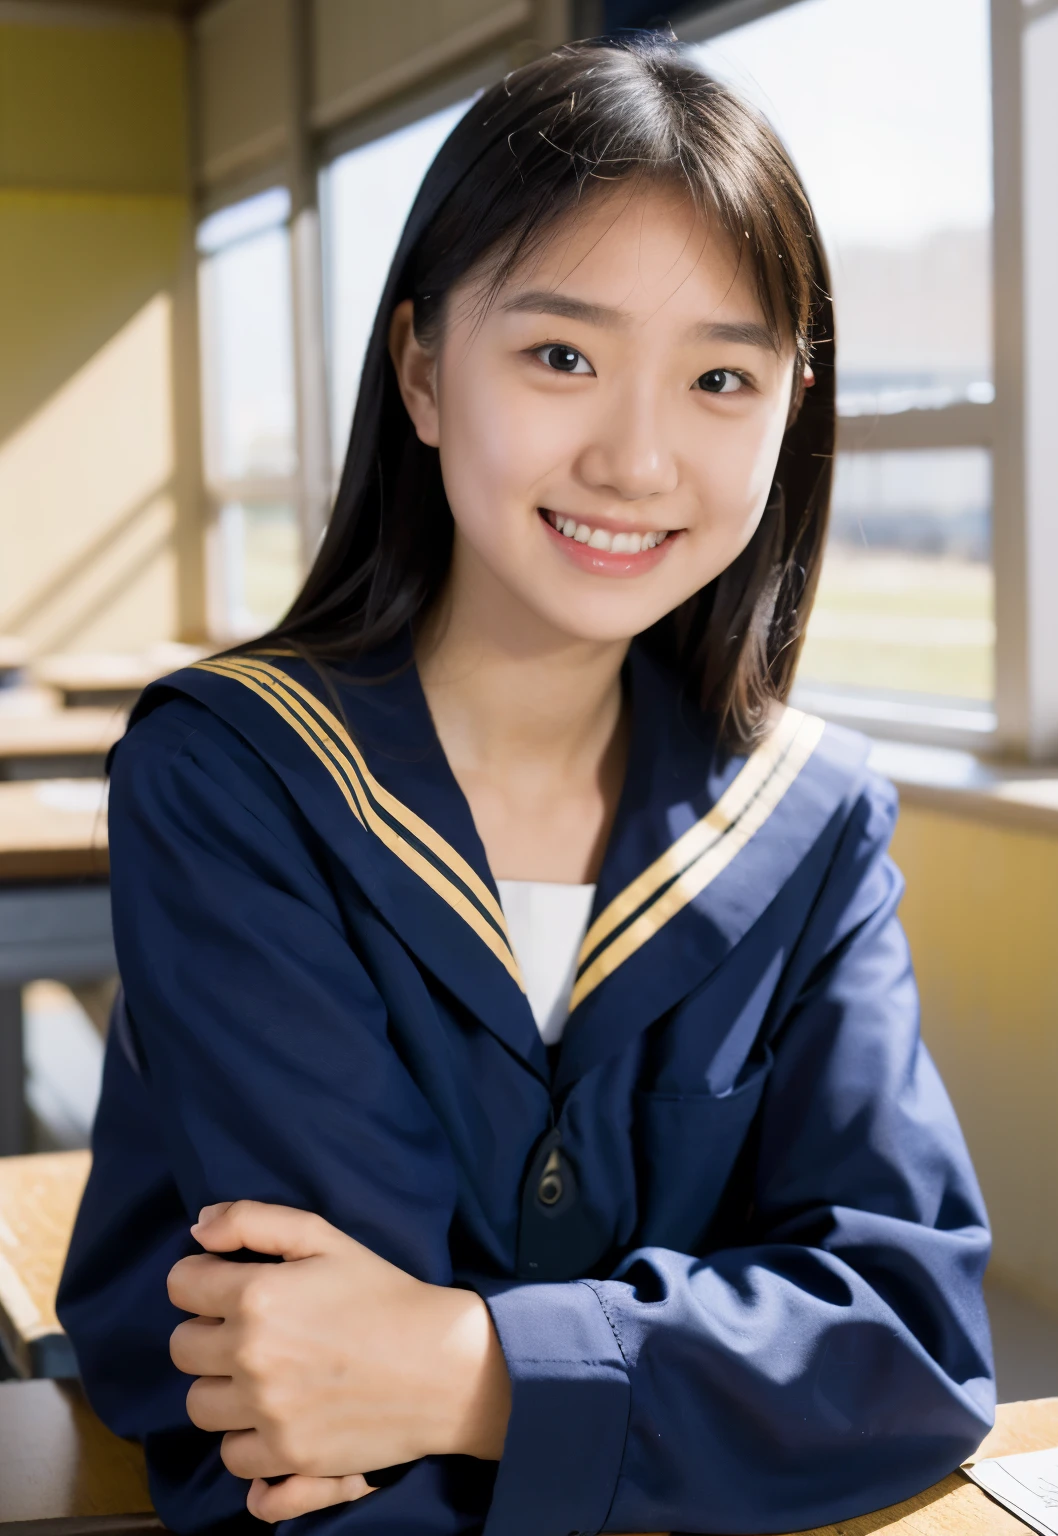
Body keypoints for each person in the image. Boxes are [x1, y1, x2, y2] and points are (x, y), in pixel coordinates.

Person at [59, 33, 995, 1536]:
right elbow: (309, 1430)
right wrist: (699, 1389)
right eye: (561, 355)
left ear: (790, 410)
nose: (636, 457)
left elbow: (909, 1343)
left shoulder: (813, 819)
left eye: (718, 378)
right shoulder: (238, 779)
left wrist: (474, 1366)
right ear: (425, 367)